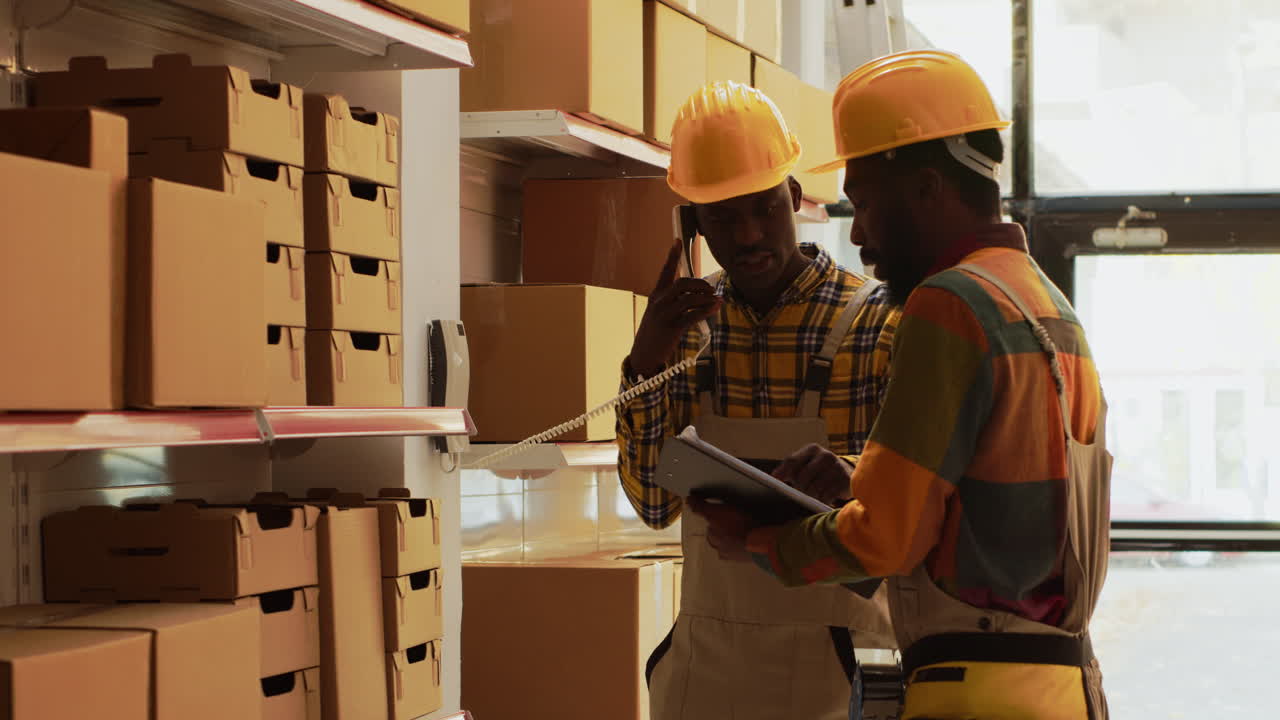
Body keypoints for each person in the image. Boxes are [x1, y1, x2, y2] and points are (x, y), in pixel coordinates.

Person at [692, 50, 1113, 719]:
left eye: (863, 202)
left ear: (925, 189)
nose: (856, 233)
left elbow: (887, 541)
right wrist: (860, 476)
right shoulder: (1045, 307)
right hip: (1062, 689)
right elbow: (993, 501)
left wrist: (763, 542)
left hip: (974, 694)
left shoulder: (950, 303)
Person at [615, 80, 901, 720]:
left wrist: (853, 477)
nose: (747, 235)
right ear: (692, 224)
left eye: (763, 208)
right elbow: (655, 506)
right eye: (721, 217)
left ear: (794, 198)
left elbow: (918, 515)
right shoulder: (686, 333)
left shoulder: (876, 324)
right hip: (706, 670)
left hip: (841, 672)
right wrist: (644, 362)